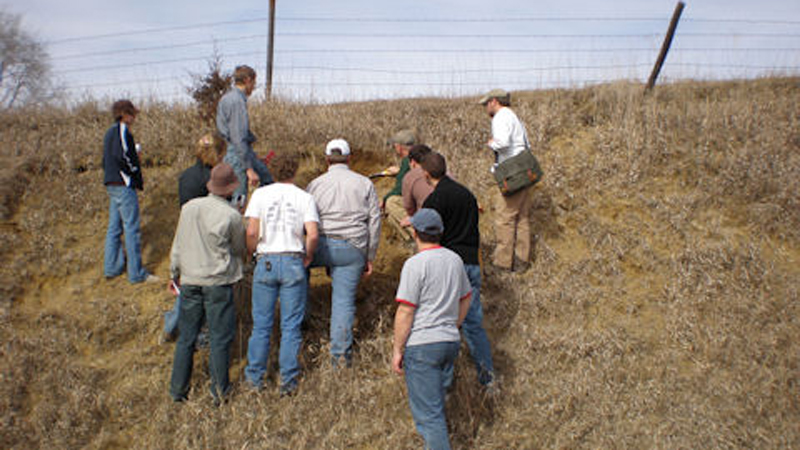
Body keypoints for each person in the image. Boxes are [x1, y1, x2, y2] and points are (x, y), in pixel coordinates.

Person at [392, 208, 472, 450]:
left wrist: (397, 349)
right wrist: (452, 325)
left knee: (429, 417)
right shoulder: (454, 260)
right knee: (439, 404)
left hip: (422, 345)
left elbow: (406, 311)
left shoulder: (414, 265)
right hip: (449, 341)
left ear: (415, 232)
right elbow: (466, 298)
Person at [167, 163, 246, 404]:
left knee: (187, 337)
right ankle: (219, 392)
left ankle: (178, 391)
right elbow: (239, 249)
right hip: (218, 283)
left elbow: (178, 244)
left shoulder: (189, 208)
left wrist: (174, 273)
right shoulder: (231, 216)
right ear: (231, 189)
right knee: (220, 338)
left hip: (190, 280)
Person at [244, 153, 319, 396]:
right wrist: (307, 256)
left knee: (261, 325)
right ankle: (288, 381)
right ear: (294, 171)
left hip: (265, 260)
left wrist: (251, 253)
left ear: (272, 170)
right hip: (293, 260)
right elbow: (313, 234)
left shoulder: (260, 195)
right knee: (290, 326)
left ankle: (255, 378)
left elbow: (252, 231)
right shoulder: (304, 197)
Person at [420, 152, 495, 388]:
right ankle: (488, 379)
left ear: (425, 174)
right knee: (473, 324)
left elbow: (432, 238)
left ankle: (446, 385)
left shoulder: (435, 201)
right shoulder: (468, 195)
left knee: (443, 324)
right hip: (472, 262)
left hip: (450, 266)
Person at [306, 139, 382, 366]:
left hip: (319, 245)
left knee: (298, 275)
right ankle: (339, 359)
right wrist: (370, 255)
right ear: (350, 158)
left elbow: (306, 220)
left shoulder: (314, 184)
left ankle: (302, 324)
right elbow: (374, 221)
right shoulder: (364, 183)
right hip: (352, 247)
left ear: (327, 159)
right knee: (343, 302)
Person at [163, 133, 228, 342]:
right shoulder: (213, 179)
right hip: (206, 240)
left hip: (187, 234)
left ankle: (171, 324)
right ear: (218, 153)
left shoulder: (186, 175)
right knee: (203, 290)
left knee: (187, 285)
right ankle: (199, 334)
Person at [102, 99, 157, 284]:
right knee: (132, 229)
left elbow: (110, 157)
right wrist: (134, 168)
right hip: (123, 184)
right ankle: (136, 274)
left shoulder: (110, 133)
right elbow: (122, 155)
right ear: (125, 115)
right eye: (132, 114)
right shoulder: (122, 130)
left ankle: (112, 268)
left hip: (112, 184)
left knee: (114, 228)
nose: (134, 118)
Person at [479, 88, 533, 272]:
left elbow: (502, 143)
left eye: (486, 104)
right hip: (525, 169)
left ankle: (502, 264)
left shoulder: (501, 117)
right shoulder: (514, 117)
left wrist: (491, 143)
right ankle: (521, 261)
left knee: (505, 218)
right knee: (522, 217)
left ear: (494, 101)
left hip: (512, 172)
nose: (486, 108)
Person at [216, 64, 273, 202]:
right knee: (238, 199)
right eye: (254, 82)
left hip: (238, 151)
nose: (254, 87)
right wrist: (249, 168)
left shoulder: (227, 98)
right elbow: (238, 137)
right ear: (248, 80)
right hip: (237, 155)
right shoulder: (237, 102)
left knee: (267, 180)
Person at [381, 129, 416, 240]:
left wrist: (384, 199)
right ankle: (409, 241)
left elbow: (400, 189)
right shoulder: (417, 157)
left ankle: (417, 234)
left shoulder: (407, 160)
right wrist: (400, 170)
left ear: (399, 147)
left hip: (416, 202)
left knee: (391, 203)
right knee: (391, 217)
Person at [401, 144, 434, 220]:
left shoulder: (410, 176)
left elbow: (409, 209)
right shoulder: (445, 172)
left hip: (428, 221)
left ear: (412, 162)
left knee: (391, 202)